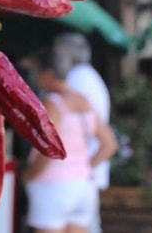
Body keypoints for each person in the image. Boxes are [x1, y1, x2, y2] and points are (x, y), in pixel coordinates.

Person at [23, 47, 118, 233]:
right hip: (83, 186)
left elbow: (49, 150)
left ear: (49, 73)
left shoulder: (52, 104)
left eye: (38, 72)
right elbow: (110, 144)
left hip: (53, 186)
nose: (36, 78)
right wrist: (84, 167)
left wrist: (29, 175)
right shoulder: (83, 101)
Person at [55, 32, 112, 233]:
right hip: (85, 171)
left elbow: (103, 137)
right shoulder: (88, 76)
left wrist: (81, 168)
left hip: (80, 171)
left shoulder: (77, 78)